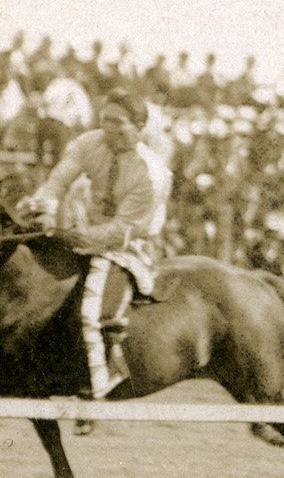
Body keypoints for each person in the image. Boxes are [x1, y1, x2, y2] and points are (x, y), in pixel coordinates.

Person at [18, 90, 171, 400]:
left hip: (130, 245)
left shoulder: (151, 173)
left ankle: (107, 373)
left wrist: (80, 237)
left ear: (139, 126)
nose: (109, 129)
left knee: (91, 309)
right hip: (88, 233)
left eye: (118, 122)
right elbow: (57, 182)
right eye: (105, 120)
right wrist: (43, 208)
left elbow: (123, 230)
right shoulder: (89, 143)